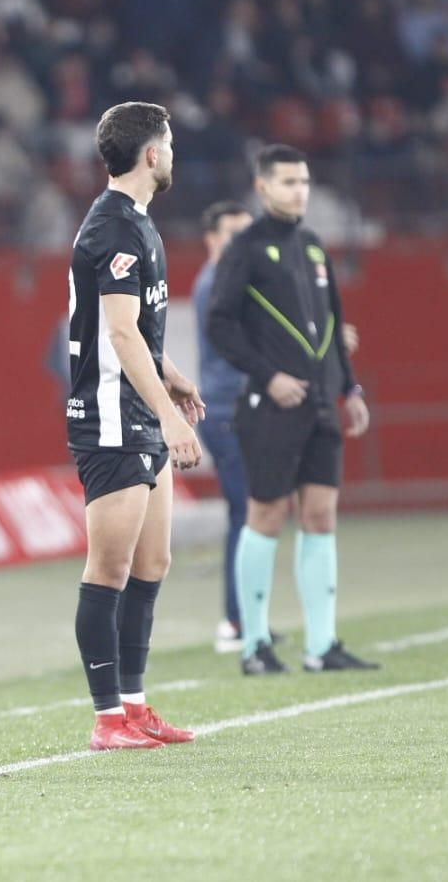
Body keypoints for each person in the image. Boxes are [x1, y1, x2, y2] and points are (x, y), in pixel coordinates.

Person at [207, 144, 379, 675]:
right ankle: (255, 644)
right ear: (262, 188)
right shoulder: (246, 249)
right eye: (287, 183)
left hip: (320, 406)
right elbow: (219, 323)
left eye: (303, 182)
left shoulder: (311, 246)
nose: (298, 191)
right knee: (266, 515)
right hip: (268, 406)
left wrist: (348, 389)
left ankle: (321, 645)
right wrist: (268, 377)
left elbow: (331, 323)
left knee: (321, 515)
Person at [67, 101, 203, 751]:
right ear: (152, 153)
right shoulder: (115, 227)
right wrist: (170, 415)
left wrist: (172, 372)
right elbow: (118, 334)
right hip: (112, 417)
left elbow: (138, 328)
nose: (172, 154)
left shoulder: (139, 223)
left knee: (153, 561)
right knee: (111, 566)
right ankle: (105, 719)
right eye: (169, 144)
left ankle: (136, 705)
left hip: (139, 409)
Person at [192, 201, 256, 653]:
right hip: (227, 408)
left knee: (252, 512)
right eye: (233, 232)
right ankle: (235, 619)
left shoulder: (227, 281)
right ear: (211, 238)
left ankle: (247, 614)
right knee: (246, 512)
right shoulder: (217, 284)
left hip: (236, 405)